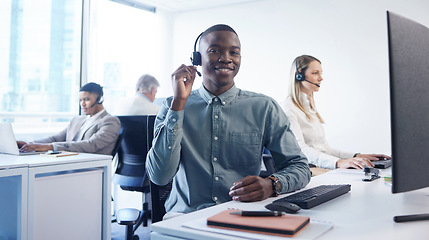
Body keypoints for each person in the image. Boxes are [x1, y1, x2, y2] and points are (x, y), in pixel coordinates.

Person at [146, 24, 311, 216]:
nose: (226, 58)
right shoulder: (172, 106)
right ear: (197, 59)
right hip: (184, 218)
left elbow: (300, 167)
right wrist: (179, 104)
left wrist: (272, 184)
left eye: (234, 52)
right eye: (215, 50)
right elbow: (159, 176)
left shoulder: (264, 107)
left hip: (242, 216)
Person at [282, 55, 390, 169]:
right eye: (315, 73)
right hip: (308, 169)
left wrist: (357, 156)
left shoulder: (310, 106)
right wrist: (338, 162)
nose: (320, 78)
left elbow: (325, 149)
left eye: (321, 73)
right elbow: (301, 150)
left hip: (321, 165)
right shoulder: (289, 108)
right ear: (299, 75)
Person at [18, 82, 121, 155]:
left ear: (100, 99)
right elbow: (56, 139)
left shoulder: (110, 121)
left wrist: (50, 147)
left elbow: (91, 145)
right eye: (80, 100)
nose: (82, 104)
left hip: (91, 168)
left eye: (87, 99)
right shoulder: (78, 120)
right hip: (69, 161)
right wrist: (31, 144)